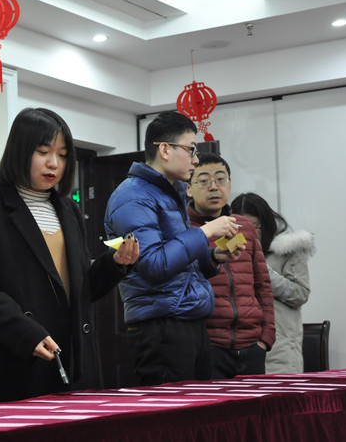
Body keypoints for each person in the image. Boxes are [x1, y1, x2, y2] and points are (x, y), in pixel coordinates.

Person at [0, 108, 139, 406]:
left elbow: (80, 289)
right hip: (12, 358)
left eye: (63, 155)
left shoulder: (69, 209)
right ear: (20, 151)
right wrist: (25, 333)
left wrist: (114, 265)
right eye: (43, 152)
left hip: (71, 358)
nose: (54, 163)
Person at [104, 111, 243, 386]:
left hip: (186, 317)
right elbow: (155, 264)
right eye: (191, 149)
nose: (195, 159)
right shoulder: (133, 196)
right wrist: (204, 233)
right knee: (175, 411)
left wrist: (213, 256)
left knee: (201, 409)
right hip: (161, 326)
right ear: (165, 150)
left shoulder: (170, 192)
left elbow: (177, 259)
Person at [186, 153, 275, 379]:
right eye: (204, 181)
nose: (213, 187)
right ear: (189, 189)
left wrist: (265, 338)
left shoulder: (245, 227)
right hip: (208, 346)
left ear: (230, 183)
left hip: (252, 346)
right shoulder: (183, 229)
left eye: (220, 179)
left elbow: (263, 285)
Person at [231, 192, 315, 374]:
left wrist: (262, 270)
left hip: (280, 348)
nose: (248, 232)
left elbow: (300, 294)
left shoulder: (288, 246)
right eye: (241, 227)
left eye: (254, 226)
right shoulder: (230, 249)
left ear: (265, 223)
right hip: (239, 346)